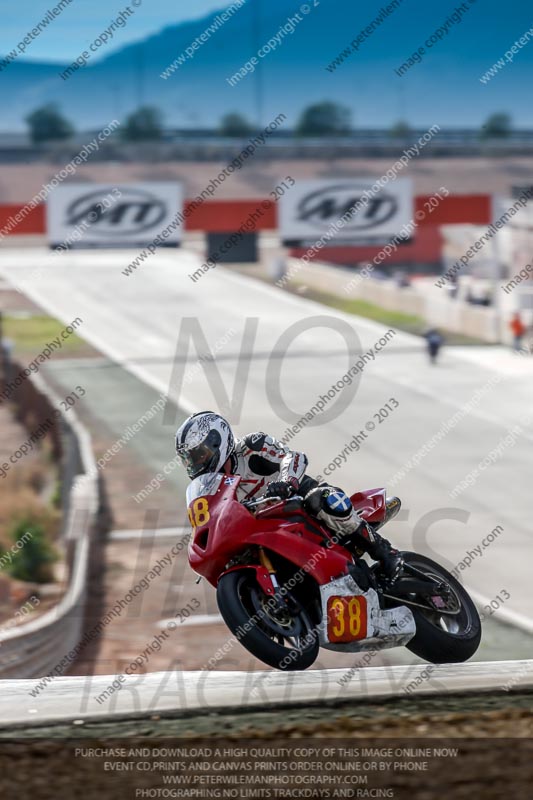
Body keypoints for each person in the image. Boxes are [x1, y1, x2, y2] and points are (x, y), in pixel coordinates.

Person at [175, 411, 402, 582]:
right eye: (189, 460)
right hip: (268, 530)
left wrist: (285, 482)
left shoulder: (251, 447)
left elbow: (293, 457)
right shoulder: (210, 488)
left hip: (300, 502)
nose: (196, 463)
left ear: (217, 441)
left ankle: (385, 552)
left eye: (199, 454)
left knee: (322, 499)